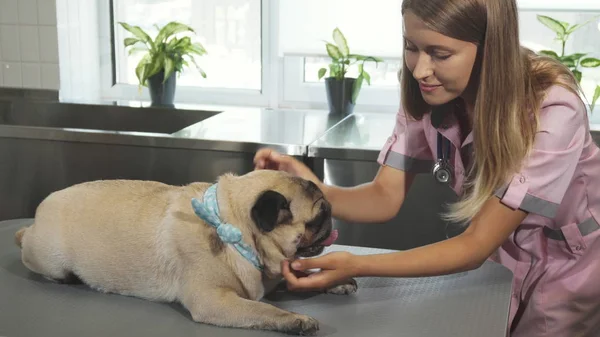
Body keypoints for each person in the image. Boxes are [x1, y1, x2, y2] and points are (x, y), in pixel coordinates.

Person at [254, 0, 600, 336]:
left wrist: (357, 265)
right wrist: (314, 191)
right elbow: (383, 196)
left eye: (440, 53)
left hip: (569, 266)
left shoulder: (554, 109)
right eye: (411, 46)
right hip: (505, 256)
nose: (419, 69)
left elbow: (476, 244)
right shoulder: (430, 95)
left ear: (490, 48)